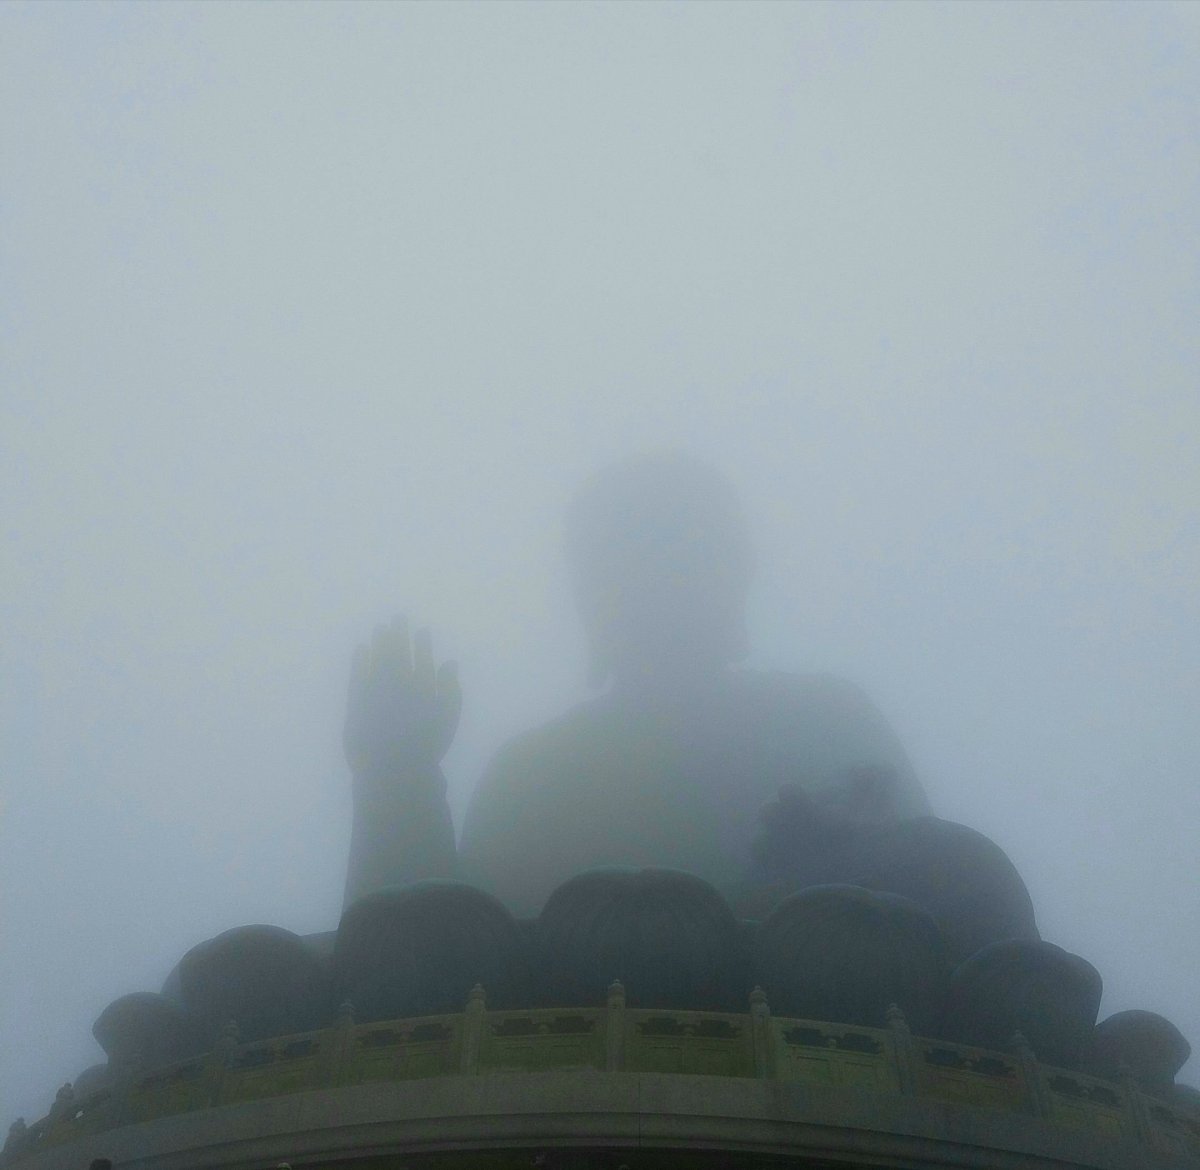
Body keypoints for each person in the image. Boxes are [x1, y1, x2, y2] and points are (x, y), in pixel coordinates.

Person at [343, 452, 931, 916]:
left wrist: (839, 869)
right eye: (626, 560)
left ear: (735, 574)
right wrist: (398, 781)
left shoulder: (824, 720)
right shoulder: (533, 774)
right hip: (576, 1020)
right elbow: (428, 961)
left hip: (810, 994)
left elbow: (938, 903)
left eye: (685, 554)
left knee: (955, 864)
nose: (659, 584)